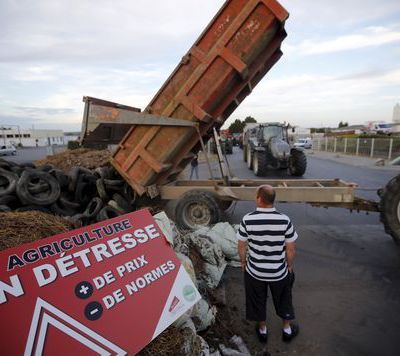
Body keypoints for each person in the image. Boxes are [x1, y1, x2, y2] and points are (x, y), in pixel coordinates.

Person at [237, 185, 299, 344]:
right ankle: (287, 329)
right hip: (279, 272)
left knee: (257, 300)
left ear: (259, 199)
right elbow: (291, 249)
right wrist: (289, 266)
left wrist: (243, 262)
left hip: (255, 272)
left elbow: (242, 246)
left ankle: (263, 331)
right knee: (284, 299)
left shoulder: (247, 219)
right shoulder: (285, 220)